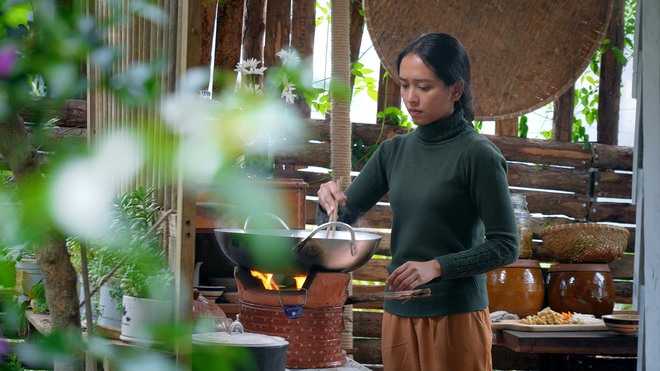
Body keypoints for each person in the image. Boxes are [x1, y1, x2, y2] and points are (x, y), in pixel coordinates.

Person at [316, 32, 519, 371]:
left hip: (456, 317)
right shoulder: (392, 152)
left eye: (424, 87)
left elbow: (505, 245)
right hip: (399, 314)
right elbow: (338, 224)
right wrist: (327, 203)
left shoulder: (478, 154)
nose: (411, 98)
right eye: (405, 85)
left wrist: (436, 267)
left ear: (455, 89)